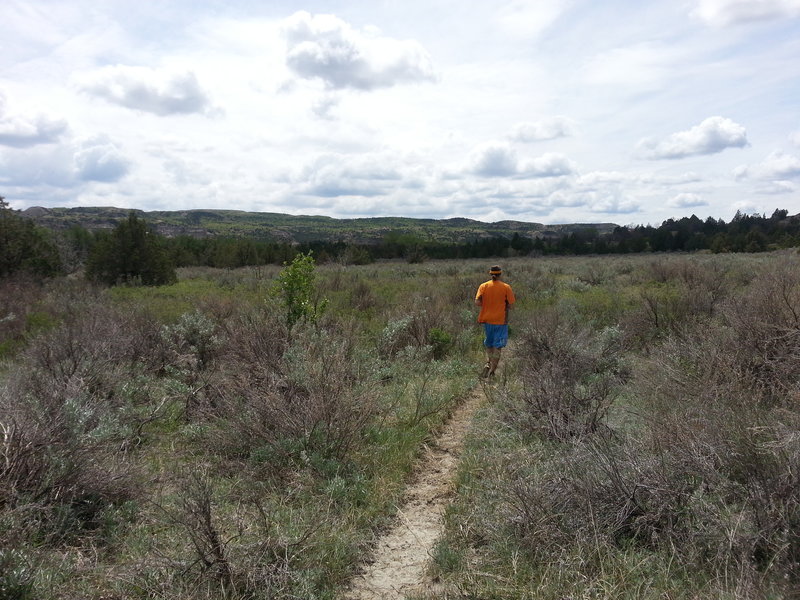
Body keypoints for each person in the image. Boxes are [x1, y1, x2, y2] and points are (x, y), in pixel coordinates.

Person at [475, 265, 515, 378]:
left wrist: (488, 305)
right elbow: (511, 306)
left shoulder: (483, 286)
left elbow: (477, 302)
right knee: (498, 346)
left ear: (490, 274)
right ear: (500, 274)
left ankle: (488, 362)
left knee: (489, 344)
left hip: (487, 320)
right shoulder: (506, 287)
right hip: (501, 321)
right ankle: (492, 371)